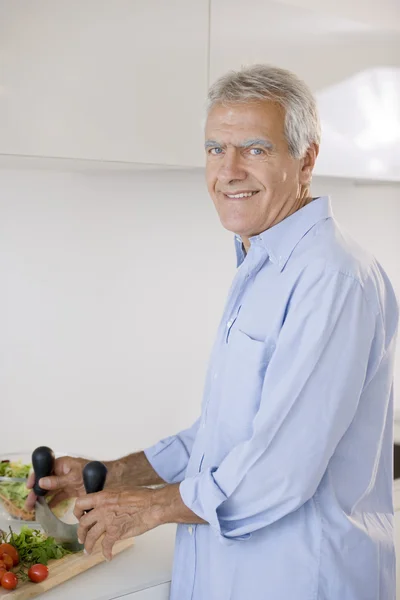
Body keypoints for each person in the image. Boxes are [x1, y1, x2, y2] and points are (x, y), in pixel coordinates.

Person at [26, 64, 398, 600]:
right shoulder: (264, 263)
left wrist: (150, 508)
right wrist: (117, 474)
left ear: (307, 159)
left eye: (254, 148)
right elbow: (227, 432)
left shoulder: (330, 279)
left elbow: (279, 469)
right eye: (214, 149)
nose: (229, 170)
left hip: (299, 581)